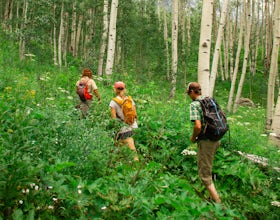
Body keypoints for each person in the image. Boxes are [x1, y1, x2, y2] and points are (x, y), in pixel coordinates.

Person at [186, 82, 221, 204]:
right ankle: (211, 196)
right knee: (207, 166)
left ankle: (218, 203)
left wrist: (193, 137)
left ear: (191, 92)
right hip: (217, 138)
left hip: (206, 141)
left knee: (204, 173)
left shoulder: (195, 105)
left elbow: (197, 126)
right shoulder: (210, 101)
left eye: (188, 93)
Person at [109, 81, 139, 161]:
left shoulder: (113, 102)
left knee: (131, 150)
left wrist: (115, 128)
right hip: (132, 126)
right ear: (124, 89)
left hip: (123, 129)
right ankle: (123, 164)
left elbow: (113, 118)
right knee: (121, 147)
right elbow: (135, 114)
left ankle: (136, 164)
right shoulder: (129, 99)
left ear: (115, 90)